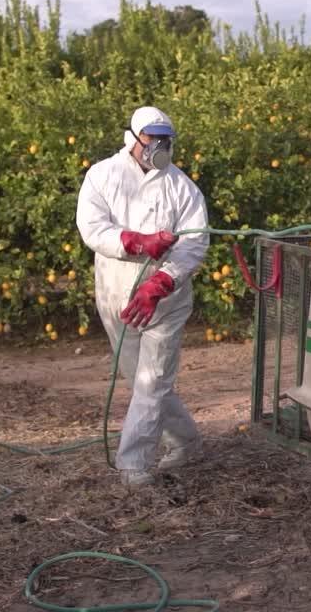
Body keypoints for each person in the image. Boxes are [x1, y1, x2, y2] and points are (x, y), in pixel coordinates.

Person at [76, 105, 210, 486]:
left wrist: (162, 282)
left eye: (165, 140)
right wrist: (134, 241)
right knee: (141, 380)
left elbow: (195, 243)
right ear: (134, 138)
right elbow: (91, 226)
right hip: (115, 296)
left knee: (153, 381)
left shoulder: (182, 187)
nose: (159, 146)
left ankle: (132, 464)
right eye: (152, 138)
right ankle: (186, 441)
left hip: (166, 302)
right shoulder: (103, 175)